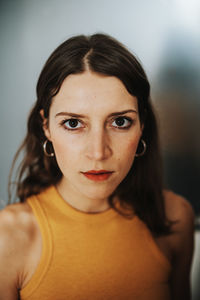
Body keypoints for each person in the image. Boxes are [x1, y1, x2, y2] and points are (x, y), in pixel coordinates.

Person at [0, 33, 194, 300]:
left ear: (142, 125)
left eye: (120, 122)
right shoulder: (9, 237)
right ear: (46, 126)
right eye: (73, 123)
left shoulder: (174, 219)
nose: (98, 152)